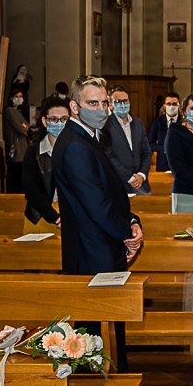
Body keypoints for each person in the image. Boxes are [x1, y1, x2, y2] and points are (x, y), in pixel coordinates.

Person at [52, 76, 143, 370]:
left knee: (107, 328)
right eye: (93, 103)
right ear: (75, 106)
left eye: (105, 102)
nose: (102, 109)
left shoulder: (89, 137)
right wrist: (127, 232)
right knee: (97, 333)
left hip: (100, 246)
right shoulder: (76, 145)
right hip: (94, 252)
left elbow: (110, 191)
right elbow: (97, 205)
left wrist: (131, 219)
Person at [22, 99, 68, 234]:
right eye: (54, 119)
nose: (59, 123)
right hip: (40, 216)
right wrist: (55, 217)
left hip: (70, 215)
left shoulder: (77, 150)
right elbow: (30, 190)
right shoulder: (34, 152)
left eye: (64, 119)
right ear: (44, 121)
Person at [105, 86, 153, 194]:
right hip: (119, 184)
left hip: (141, 184)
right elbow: (108, 157)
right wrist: (129, 177)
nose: (123, 104)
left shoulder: (138, 123)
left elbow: (146, 152)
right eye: (118, 101)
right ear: (111, 105)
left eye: (125, 101)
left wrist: (141, 175)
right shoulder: (105, 125)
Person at [3, 86, 30, 193]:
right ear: (11, 98)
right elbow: (21, 128)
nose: (19, 98)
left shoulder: (18, 111)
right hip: (16, 147)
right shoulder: (9, 111)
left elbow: (27, 125)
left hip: (22, 147)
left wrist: (25, 127)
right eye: (16, 96)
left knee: (21, 175)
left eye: (21, 96)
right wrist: (24, 127)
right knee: (15, 175)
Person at [148, 91, 180, 172]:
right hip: (162, 164)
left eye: (174, 104)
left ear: (179, 106)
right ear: (164, 106)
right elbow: (150, 144)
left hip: (181, 164)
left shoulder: (184, 121)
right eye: (169, 104)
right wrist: (164, 149)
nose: (171, 106)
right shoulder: (158, 121)